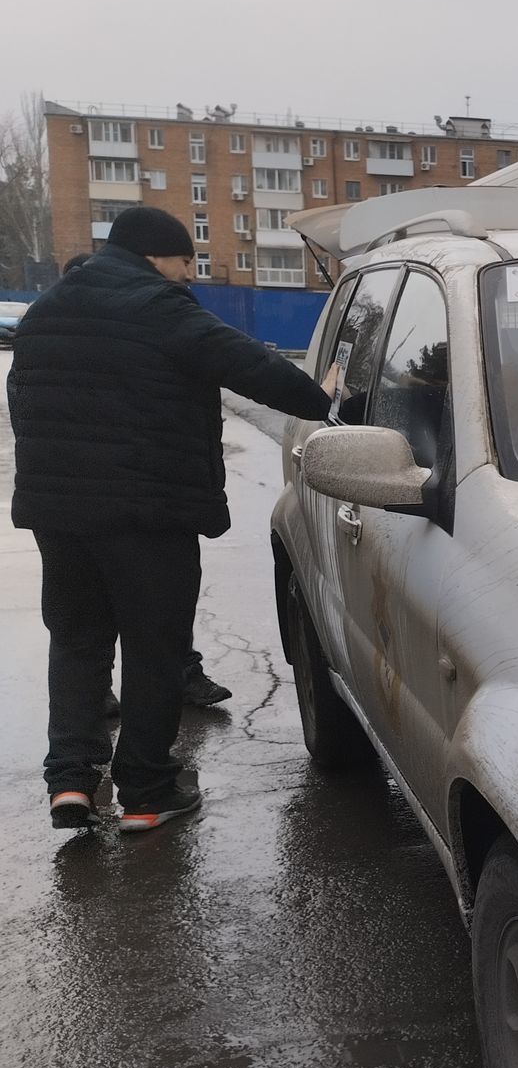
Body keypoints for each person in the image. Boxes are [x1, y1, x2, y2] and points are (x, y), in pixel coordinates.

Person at [9, 208, 334, 832]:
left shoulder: (46, 310)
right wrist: (326, 400)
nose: (188, 278)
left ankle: (71, 782)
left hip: (61, 517)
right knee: (155, 648)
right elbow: (251, 368)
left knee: (77, 641)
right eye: (187, 265)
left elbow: (24, 402)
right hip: (147, 517)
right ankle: (147, 792)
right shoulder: (160, 307)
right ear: (160, 256)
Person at [63, 251, 231, 716]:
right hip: (110, 499)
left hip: (144, 493)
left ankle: (179, 675)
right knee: (110, 616)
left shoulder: (160, 316)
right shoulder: (84, 337)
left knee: (155, 611)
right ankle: (115, 713)